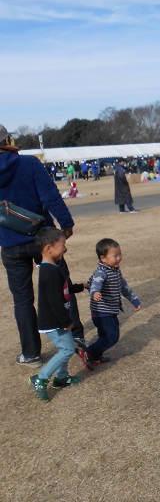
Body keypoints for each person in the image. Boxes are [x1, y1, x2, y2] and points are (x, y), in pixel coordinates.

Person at [0, 124, 82, 368]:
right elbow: (50, 196)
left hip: (11, 244)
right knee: (62, 286)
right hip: (43, 237)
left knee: (23, 300)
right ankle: (76, 335)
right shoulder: (30, 163)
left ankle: (31, 352)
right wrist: (66, 225)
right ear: (8, 139)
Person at [27, 227, 81, 401]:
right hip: (54, 321)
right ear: (49, 248)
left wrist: (81, 287)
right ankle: (40, 378)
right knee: (67, 350)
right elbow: (54, 301)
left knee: (64, 348)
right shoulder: (49, 272)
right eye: (62, 245)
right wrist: (66, 321)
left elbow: (63, 290)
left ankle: (61, 378)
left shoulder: (53, 269)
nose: (65, 248)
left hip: (57, 320)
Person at [78, 238, 141, 368]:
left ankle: (95, 356)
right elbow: (95, 284)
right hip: (102, 311)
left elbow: (124, 287)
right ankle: (88, 352)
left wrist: (134, 300)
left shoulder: (116, 271)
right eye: (115, 256)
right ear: (103, 258)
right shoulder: (102, 272)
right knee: (112, 336)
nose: (118, 258)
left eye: (120, 254)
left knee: (104, 335)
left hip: (109, 310)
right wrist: (94, 292)